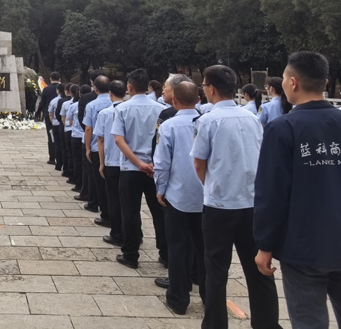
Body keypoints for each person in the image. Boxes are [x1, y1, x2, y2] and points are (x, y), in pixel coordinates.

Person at [254, 51, 341, 329]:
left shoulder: (283, 128)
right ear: (325, 83)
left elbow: (272, 193)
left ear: (291, 83)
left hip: (303, 244)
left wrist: (265, 245)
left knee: (308, 321)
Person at [192, 65, 281, 329]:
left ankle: (215, 324)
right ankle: (267, 324)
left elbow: (199, 163)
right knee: (259, 269)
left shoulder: (208, 120)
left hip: (219, 205)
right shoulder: (252, 118)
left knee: (216, 270)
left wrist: (213, 186)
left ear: (210, 89)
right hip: (252, 204)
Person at [153, 80, 205, 315]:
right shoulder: (207, 122)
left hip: (178, 194)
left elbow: (162, 162)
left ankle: (178, 298)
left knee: (178, 247)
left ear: (174, 100)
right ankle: (208, 294)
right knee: (204, 248)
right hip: (206, 196)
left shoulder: (169, 126)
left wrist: (160, 188)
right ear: (197, 99)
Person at [111, 68, 167, 269]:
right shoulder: (160, 109)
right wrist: (151, 163)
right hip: (155, 169)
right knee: (159, 212)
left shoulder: (123, 109)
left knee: (131, 212)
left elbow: (119, 139)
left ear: (130, 86)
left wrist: (137, 163)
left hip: (131, 168)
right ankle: (165, 253)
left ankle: (131, 254)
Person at [95, 79, 126, 247]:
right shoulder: (131, 110)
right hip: (135, 164)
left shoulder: (105, 113)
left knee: (114, 200)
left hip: (113, 161)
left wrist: (101, 163)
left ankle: (118, 234)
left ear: (111, 94)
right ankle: (136, 233)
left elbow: (100, 139)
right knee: (131, 203)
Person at [83, 75, 112, 217]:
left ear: (95, 88)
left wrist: (87, 148)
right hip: (116, 148)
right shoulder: (117, 104)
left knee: (99, 180)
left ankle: (104, 212)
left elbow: (88, 129)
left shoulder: (92, 105)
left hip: (96, 147)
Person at [65, 85, 85, 193]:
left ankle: (78, 183)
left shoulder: (73, 106)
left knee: (76, 160)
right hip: (86, 137)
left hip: (76, 135)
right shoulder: (89, 105)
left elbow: (70, 122)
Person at [39, 72, 61, 164]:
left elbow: (43, 102)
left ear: (50, 79)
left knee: (51, 136)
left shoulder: (46, 89)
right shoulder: (62, 88)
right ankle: (60, 158)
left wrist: (38, 112)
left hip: (49, 116)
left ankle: (52, 158)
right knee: (60, 138)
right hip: (61, 116)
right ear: (59, 79)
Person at [47, 85, 63, 169]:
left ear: (57, 91)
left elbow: (50, 114)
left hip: (56, 124)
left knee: (57, 145)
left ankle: (59, 164)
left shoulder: (54, 101)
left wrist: (53, 122)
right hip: (67, 126)